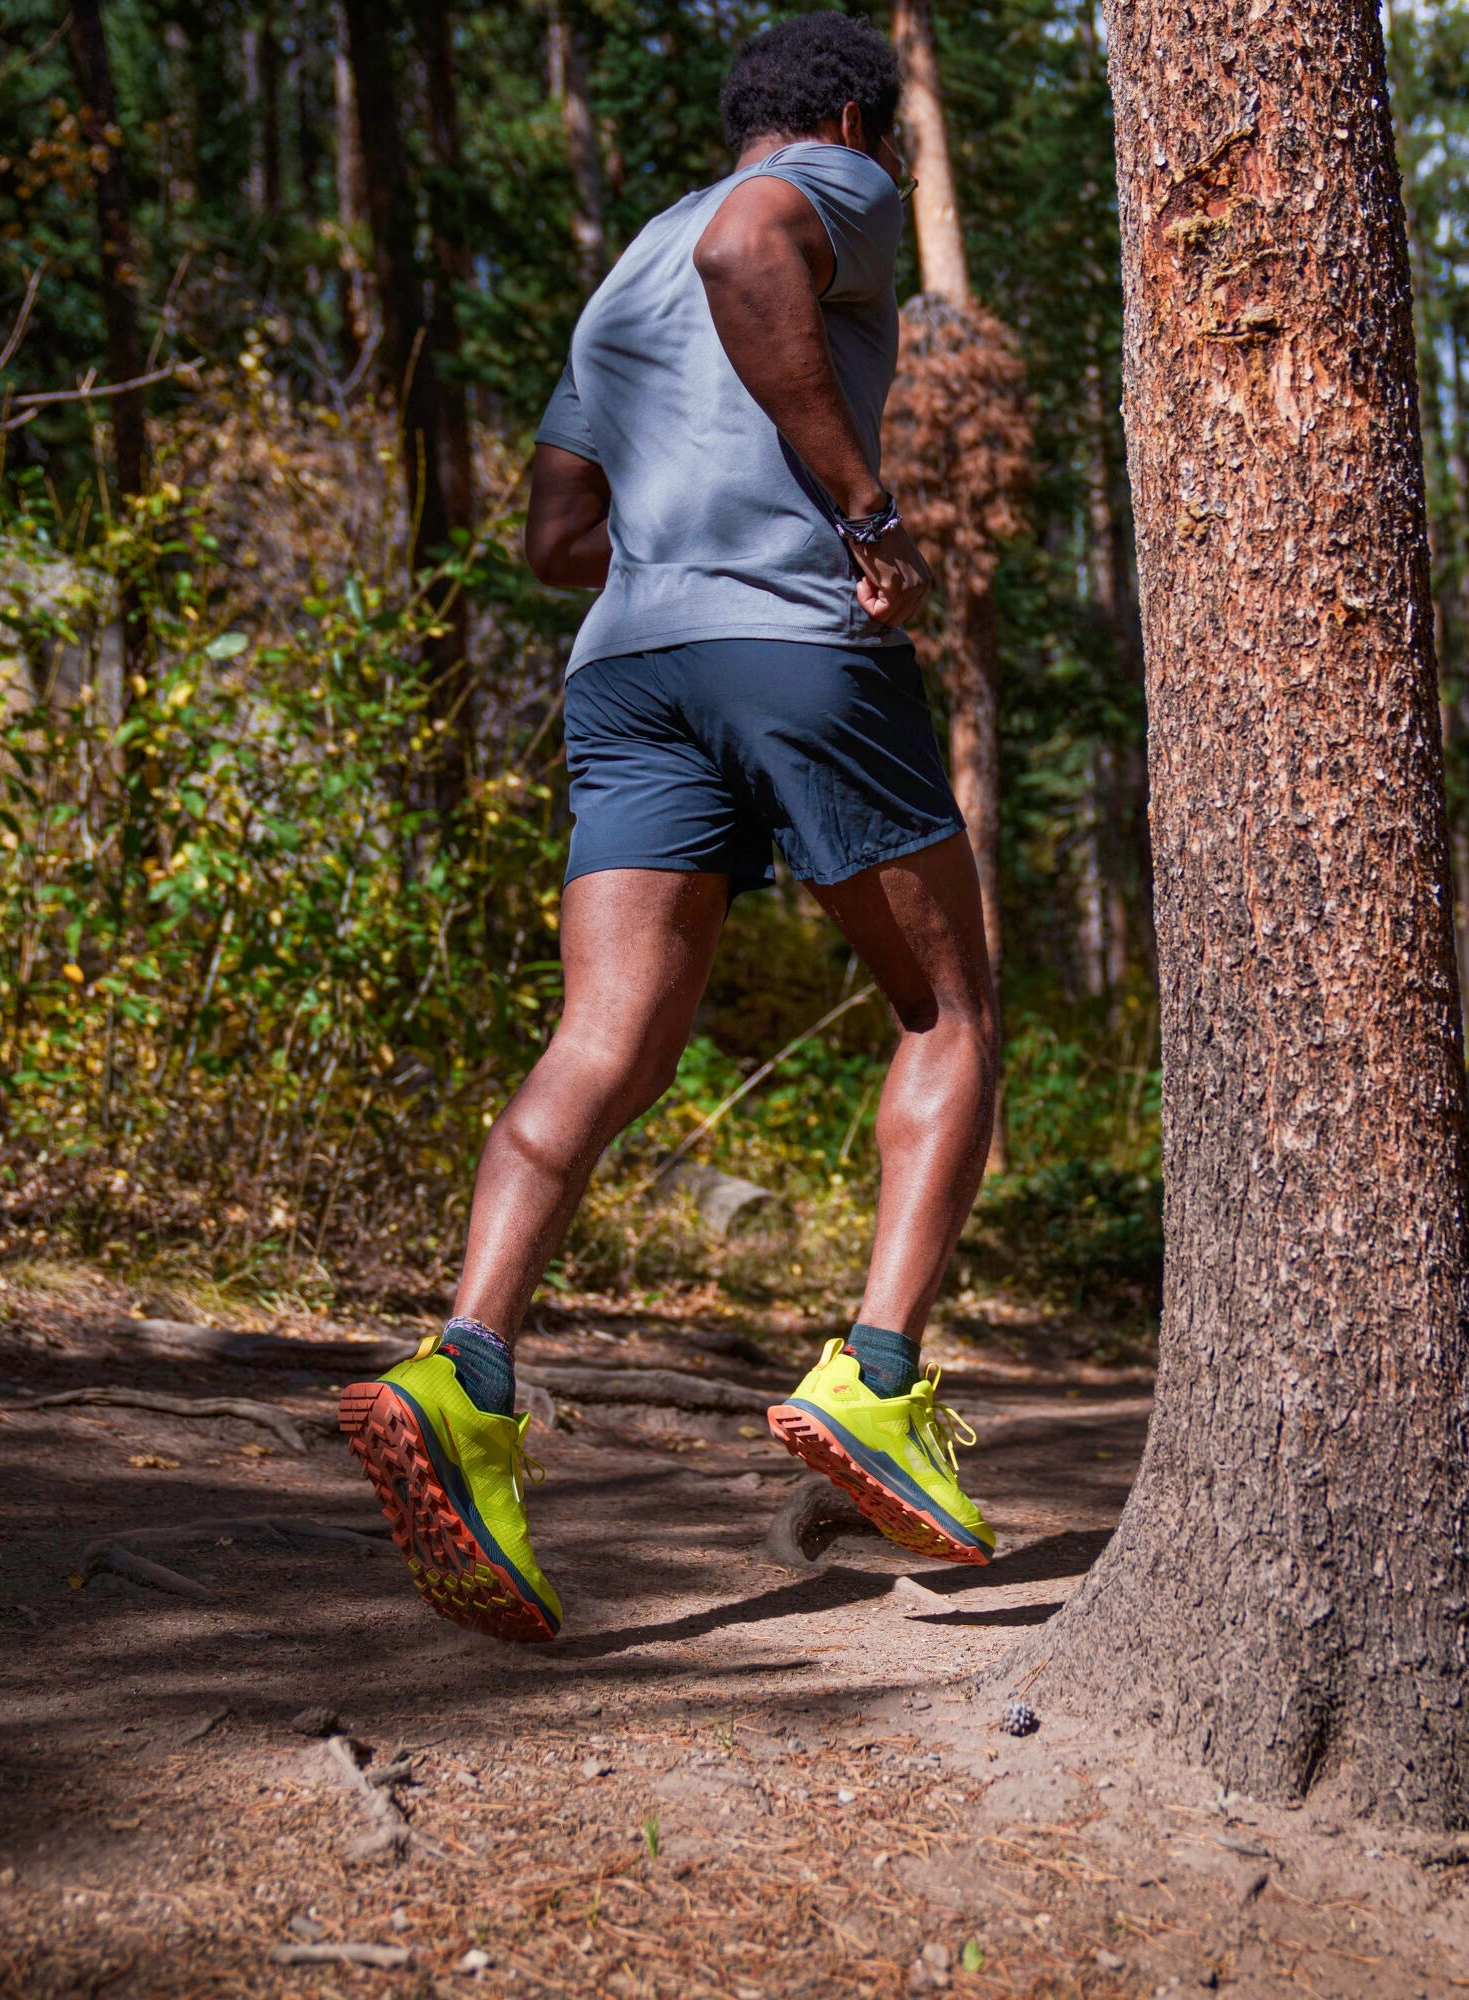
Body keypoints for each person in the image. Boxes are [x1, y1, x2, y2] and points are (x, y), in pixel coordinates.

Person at [337, 12, 1000, 1644]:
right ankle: (880, 1380)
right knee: (950, 1012)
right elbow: (751, 240)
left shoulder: (622, 270)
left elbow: (560, 528)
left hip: (629, 667)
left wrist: (680, 546)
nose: (890, 176)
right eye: (888, 146)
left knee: (606, 1036)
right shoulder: (807, 186)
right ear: (848, 115)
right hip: (794, 647)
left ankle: (468, 1371)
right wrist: (861, 510)